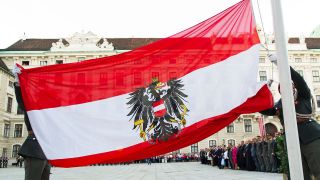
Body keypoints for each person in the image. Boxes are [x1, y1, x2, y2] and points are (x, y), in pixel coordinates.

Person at [260, 56, 320, 180]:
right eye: (282, 87)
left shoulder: (303, 94)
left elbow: (299, 79)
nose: (286, 88)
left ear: (293, 87)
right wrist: (263, 90)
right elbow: (264, 109)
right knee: (299, 174)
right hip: (293, 140)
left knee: (318, 168)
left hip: (310, 136)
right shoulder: (280, 104)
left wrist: (281, 64)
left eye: (289, 85)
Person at [14, 81, 51, 180]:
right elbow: (21, 101)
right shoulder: (31, 106)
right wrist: (18, 84)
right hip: (34, 149)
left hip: (45, 150)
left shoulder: (48, 110)